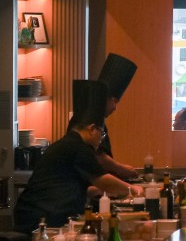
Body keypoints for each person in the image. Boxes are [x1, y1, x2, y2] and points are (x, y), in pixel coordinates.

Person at [15, 80, 142, 232]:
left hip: (35, 214)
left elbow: (73, 186)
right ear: (92, 129)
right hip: (41, 219)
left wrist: (100, 191)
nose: (100, 140)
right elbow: (104, 181)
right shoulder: (78, 147)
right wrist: (133, 189)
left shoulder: (69, 143)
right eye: (101, 135)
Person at [92, 53, 139, 181]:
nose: (115, 108)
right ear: (106, 99)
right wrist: (122, 169)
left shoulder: (99, 120)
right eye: (115, 101)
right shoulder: (91, 121)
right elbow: (98, 157)